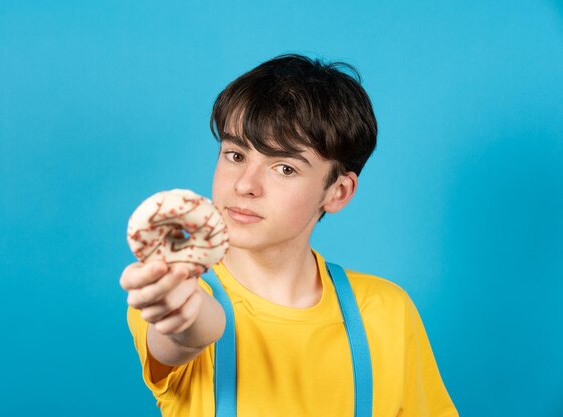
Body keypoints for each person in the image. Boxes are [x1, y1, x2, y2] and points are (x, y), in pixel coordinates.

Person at [120, 54, 458, 417]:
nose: (246, 185)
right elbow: (190, 332)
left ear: (338, 192)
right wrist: (183, 316)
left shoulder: (386, 311)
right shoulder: (178, 292)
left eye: (284, 168)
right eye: (235, 155)